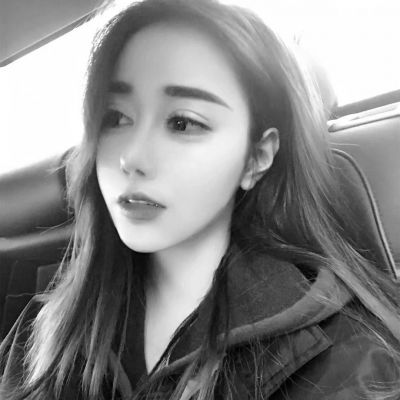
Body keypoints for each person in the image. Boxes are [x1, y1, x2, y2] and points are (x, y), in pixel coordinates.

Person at [1, 0, 400, 399]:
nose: (131, 158)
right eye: (116, 118)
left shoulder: (344, 362)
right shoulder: (47, 324)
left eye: (182, 123)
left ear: (256, 157)